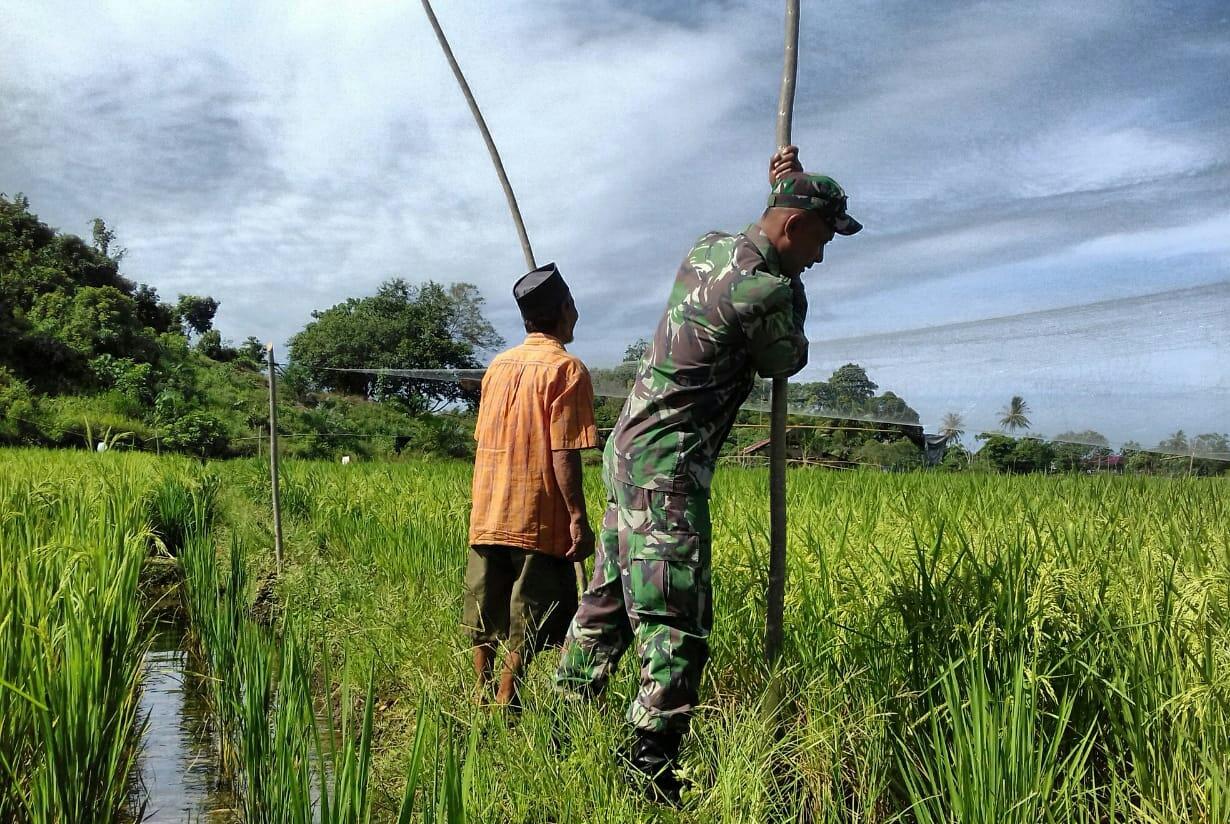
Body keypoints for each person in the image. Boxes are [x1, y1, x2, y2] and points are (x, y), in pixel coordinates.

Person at [554, 147, 862, 800]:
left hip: (630, 452)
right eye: (822, 238)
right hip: (669, 472)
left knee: (608, 598)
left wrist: (783, 186)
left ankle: (560, 729)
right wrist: (792, 280)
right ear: (793, 227)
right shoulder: (769, 291)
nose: (822, 255)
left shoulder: (706, 249)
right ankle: (649, 769)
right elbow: (787, 359)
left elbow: (764, 234)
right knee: (675, 616)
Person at [465, 263, 598, 707]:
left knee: (485, 608)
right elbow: (564, 452)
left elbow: (484, 439)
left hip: (488, 511)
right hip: (536, 516)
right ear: (563, 311)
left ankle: (480, 699)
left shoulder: (497, 367)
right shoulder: (567, 370)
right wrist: (577, 516)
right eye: (573, 305)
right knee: (530, 613)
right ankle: (507, 701)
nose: (576, 313)